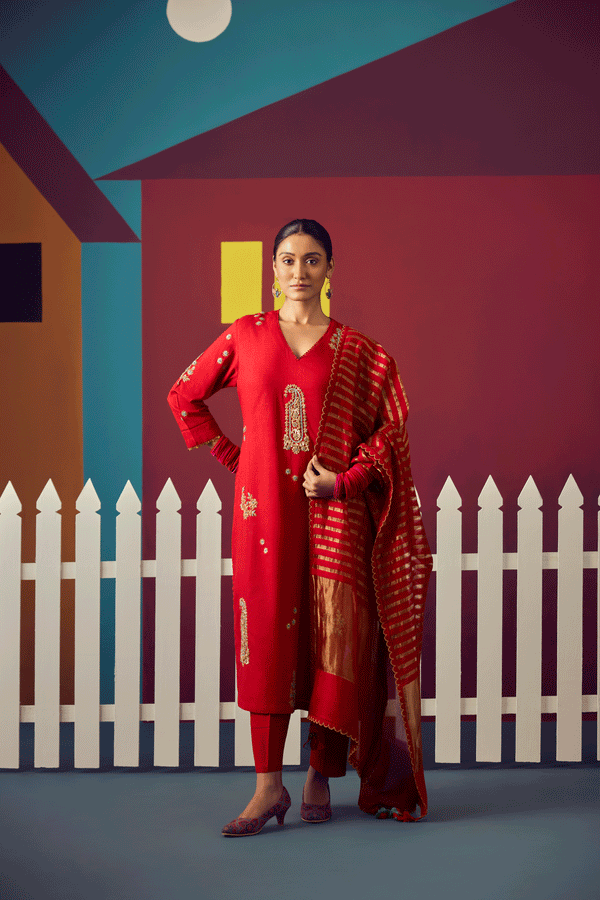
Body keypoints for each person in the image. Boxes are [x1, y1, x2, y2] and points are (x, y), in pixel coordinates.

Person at [168, 219, 432, 836]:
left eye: (312, 260)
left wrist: (344, 481)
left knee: (330, 636)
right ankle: (268, 787)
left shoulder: (355, 351)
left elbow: (388, 434)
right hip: (262, 514)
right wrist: (234, 458)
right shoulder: (246, 335)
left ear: (329, 270)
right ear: (273, 269)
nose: (299, 271)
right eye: (288, 259)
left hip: (334, 515)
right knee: (263, 638)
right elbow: (184, 394)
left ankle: (320, 774)